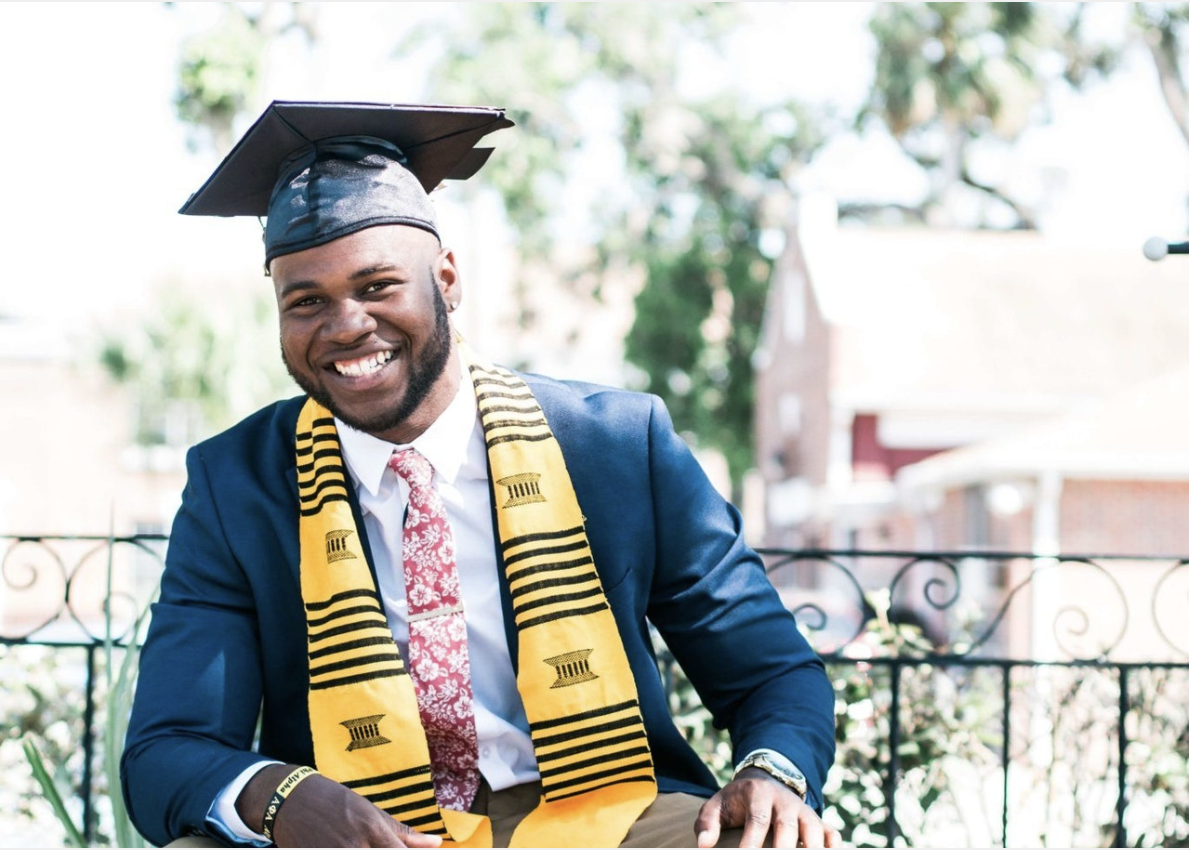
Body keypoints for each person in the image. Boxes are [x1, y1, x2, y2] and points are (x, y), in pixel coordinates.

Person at [121, 101, 839, 849]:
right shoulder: (237, 484)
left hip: (606, 816)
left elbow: (771, 674)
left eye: (376, 286)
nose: (344, 326)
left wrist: (774, 772)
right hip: (364, 828)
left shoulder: (617, 446)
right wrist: (280, 797)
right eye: (306, 302)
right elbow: (168, 750)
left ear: (448, 278)